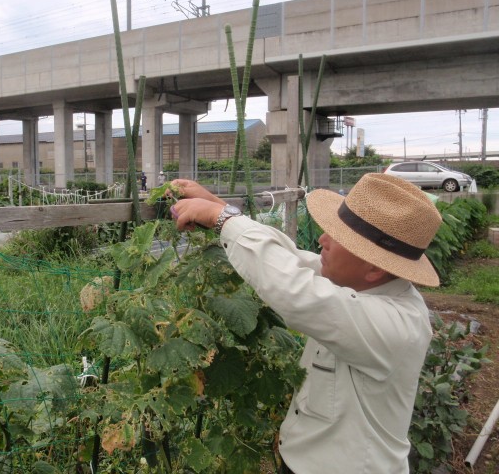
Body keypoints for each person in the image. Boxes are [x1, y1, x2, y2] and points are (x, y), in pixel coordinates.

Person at [168, 173, 442, 474]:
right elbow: (293, 259)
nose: (322, 239)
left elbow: (295, 289)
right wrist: (222, 211)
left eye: (337, 236)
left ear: (375, 267)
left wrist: (222, 218)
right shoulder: (365, 286)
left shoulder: (397, 325)